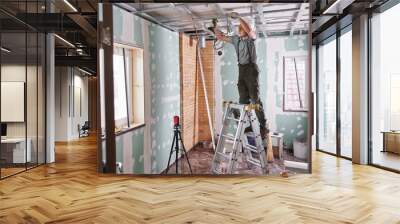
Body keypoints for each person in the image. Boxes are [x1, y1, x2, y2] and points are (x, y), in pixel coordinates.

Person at [215, 13, 268, 138]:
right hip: (241, 70)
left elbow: (250, 31)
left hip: (251, 69)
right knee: (243, 100)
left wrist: (238, 17)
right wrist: (214, 26)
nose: (240, 29)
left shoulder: (251, 38)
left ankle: (263, 127)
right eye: (240, 28)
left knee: (255, 99)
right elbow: (220, 36)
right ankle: (248, 123)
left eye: (242, 28)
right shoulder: (236, 39)